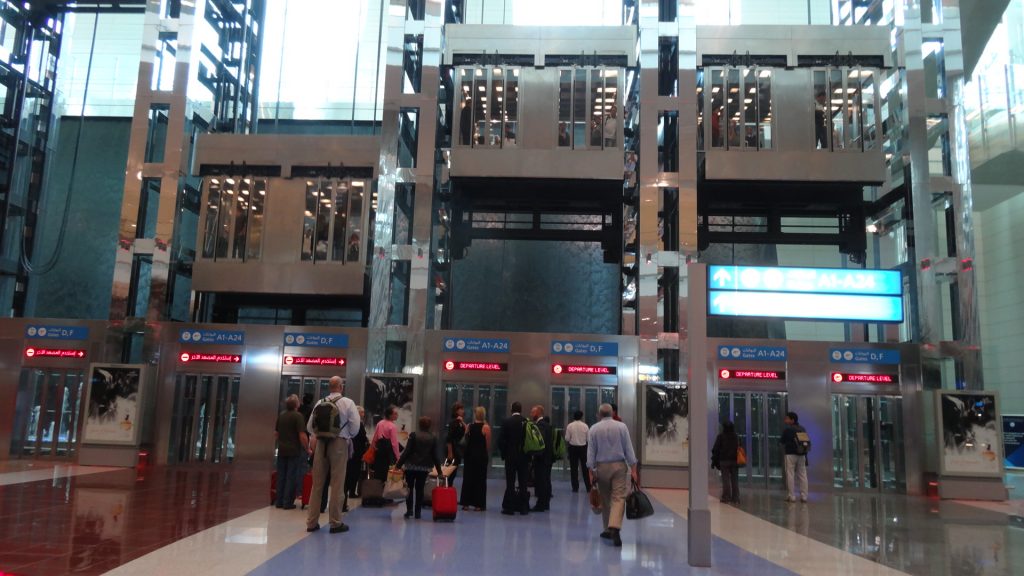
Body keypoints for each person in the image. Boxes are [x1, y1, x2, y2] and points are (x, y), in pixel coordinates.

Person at [305, 376, 360, 534]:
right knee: (337, 483)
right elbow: (355, 428)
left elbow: (310, 427)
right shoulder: (347, 402)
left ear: (329, 387)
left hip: (321, 444)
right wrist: (344, 434)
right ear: (341, 387)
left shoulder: (319, 402)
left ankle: (311, 522)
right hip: (339, 443)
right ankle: (335, 522)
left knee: (317, 484)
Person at [587, 403, 639, 547]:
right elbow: (629, 448)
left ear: (599, 415)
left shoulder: (593, 429)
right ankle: (614, 527)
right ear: (612, 413)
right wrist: (634, 469)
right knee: (618, 497)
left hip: (601, 467)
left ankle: (607, 529)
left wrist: (591, 471)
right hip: (619, 467)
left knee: (605, 498)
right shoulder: (621, 427)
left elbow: (590, 453)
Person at [395, 416, 443, 519]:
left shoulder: (413, 435)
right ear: (429, 426)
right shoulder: (433, 438)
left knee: (409, 488)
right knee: (420, 489)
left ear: (419, 425)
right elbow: (435, 455)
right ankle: (418, 512)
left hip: (411, 466)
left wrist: (398, 465)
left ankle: (409, 510)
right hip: (424, 467)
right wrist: (439, 471)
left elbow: (407, 452)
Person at [275, 394, 309, 510]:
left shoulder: (282, 415)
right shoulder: (298, 416)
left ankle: (278, 501)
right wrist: (307, 448)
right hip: (294, 450)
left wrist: (280, 443)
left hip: (282, 450)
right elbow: (302, 435)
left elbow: (276, 433)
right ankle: (287, 502)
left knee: (281, 475)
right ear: (296, 405)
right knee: (291, 476)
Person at [499, 401, 529, 515]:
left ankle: (510, 508)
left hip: (510, 456)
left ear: (511, 409)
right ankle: (523, 508)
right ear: (521, 410)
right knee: (523, 482)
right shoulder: (526, 422)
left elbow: (501, 440)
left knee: (510, 482)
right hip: (523, 456)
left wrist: (504, 453)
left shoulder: (506, 422)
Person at [460, 406, 491, 511]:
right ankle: (479, 504)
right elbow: (487, 445)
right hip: (481, 456)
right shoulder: (486, 427)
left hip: (469, 456)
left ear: (475, 415)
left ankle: (465, 503)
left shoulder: (469, 426)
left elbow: (465, 439)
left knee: (468, 479)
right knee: (480, 480)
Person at [369, 405, 402, 504]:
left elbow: (375, 437)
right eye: (395, 413)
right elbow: (394, 443)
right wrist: (398, 457)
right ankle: (387, 495)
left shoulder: (380, 423)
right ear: (390, 415)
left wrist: (373, 446)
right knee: (388, 474)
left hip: (379, 450)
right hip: (388, 452)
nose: (397, 415)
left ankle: (377, 495)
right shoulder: (392, 426)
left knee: (378, 473)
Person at [780, 411, 809, 503]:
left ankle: (791, 496)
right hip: (802, 454)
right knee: (802, 475)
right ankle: (804, 496)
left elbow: (782, 441)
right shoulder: (802, 428)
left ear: (792, 420)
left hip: (790, 454)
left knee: (790, 474)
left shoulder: (788, 430)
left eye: (787, 418)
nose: (785, 420)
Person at [530, 405, 554, 512]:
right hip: (547, 458)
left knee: (541, 481)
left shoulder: (540, 426)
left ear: (538, 413)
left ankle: (541, 504)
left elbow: (540, 442)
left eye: (533, 412)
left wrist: (534, 453)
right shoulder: (547, 425)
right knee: (546, 481)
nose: (531, 414)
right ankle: (545, 503)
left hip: (542, 458)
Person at [711, 421, 740, 504]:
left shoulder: (721, 436)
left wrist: (714, 460)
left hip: (724, 461)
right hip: (735, 461)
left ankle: (726, 497)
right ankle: (736, 497)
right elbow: (740, 447)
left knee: (726, 479)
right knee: (735, 480)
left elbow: (716, 449)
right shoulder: (736, 436)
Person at [345, 406, 368, 500]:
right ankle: (352, 491)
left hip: (350, 450)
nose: (363, 414)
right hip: (357, 451)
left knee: (350, 471)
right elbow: (363, 437)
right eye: (362, 412)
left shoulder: (351, 423)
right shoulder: (359, 424)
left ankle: (349, 490)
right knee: (354, 472)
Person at [565, 410, 591, 493]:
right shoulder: (585, 426)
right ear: (581, 417)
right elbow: (588, 439)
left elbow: (567, 439)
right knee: (585, 469)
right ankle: (588, 487)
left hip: (573, 449)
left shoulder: (570, 426)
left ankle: (575, 488)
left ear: (574, 416)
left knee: (574, 469)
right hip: (583, 448)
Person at [446, 402, 468, 483]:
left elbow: (467, 431)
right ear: (456, 411)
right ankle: (446, 491)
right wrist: (450, 453)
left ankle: (448, 490)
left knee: (453, 473)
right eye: (461, 409)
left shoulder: (459, 422)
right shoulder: (453, 422)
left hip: (458, 450)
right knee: (450, 473)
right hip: (453, 450)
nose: (463, 411)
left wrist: (462, 422)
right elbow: (449, 438)